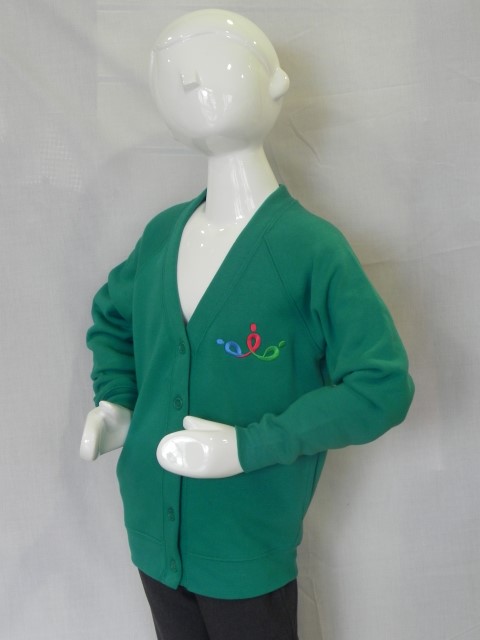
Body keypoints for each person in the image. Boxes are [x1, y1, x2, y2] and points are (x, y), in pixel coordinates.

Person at [81, 9, 414, 640]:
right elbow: (111, 318)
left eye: (214, 56)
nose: (189, 78)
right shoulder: (161, 236)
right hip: (150, 535)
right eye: (171, 68)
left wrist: (248, 447)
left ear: (275, 85)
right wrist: (117, 401)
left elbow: (382, 387)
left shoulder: (309, 249)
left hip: (247, 546)